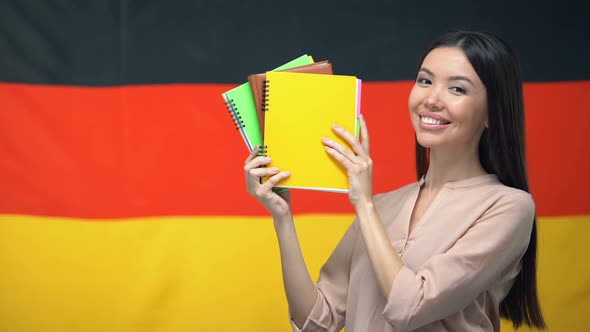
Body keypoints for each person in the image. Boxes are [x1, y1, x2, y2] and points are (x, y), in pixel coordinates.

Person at [243, 31, 546, 331]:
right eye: (425, 81)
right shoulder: (383, 205)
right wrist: (282, 217)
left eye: (456, 89)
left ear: (492, 112)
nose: (431, 99)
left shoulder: (509, 207)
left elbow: (410, 308)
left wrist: (364, 203)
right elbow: (316, 324)